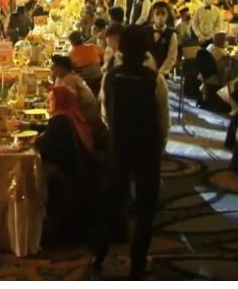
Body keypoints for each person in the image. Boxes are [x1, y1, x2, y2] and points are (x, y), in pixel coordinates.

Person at [92, 24, 169, 279]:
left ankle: (99, 254)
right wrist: (160, 149)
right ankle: (137, 261)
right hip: (147, 149)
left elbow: (104, 114)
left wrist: (116, 131)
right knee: (145, 208)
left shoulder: (111, 77)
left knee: (112, 203)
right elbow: (163, 120)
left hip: (120, 147)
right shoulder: (154, 79)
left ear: (122, 49)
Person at [36, 85, 104, 245]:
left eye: (52, 99)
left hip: (69, 175)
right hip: (84, 169)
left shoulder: (59, 121)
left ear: (61, 101)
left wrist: (35, 141)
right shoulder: (71, 115)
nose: (47, 102)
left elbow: (46, 148)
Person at [51, 54, 101, 126]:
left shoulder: (71, 79)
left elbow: (66, 103)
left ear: (62, 68)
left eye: (54, 66)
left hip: (85, 116)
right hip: (78, 113)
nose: (51, 68)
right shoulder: (60, 77)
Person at [145, 1, 177, 76]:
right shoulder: (145, 31)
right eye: (157, 13)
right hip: (146, 72)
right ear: (152, 16)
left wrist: (160, 74)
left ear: (167, 16)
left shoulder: (171, 35)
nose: (160, 17)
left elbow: (171, 58)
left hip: (163, 74)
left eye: (163, 14)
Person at [68, 31, 104, 96]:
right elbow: (103, 56)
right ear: (82, 38)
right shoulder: (93, 47)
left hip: (85, 81)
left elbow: (71, 69)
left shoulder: (71, 54)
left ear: (71, 42)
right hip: (99, 77)